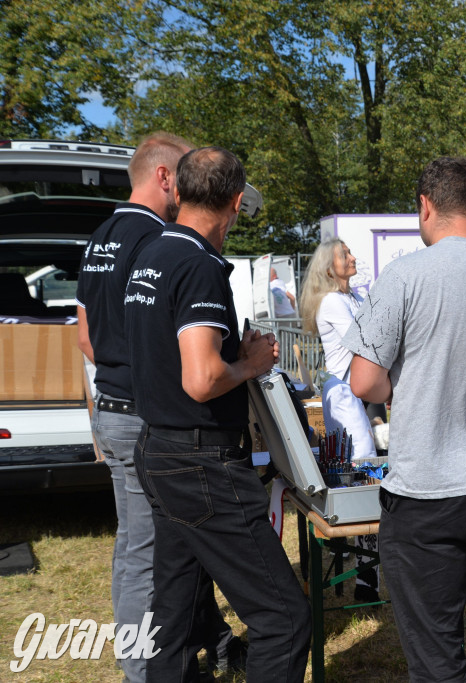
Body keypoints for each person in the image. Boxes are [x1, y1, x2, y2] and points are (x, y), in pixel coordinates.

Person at [343, 157, 466, 682]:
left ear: (426, 207)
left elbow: (364, 382)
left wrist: (404, 390)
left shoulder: (405, 274)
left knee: (437, 658)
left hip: (431, 487)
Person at [125, 147, 311, 683]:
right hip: (200, 461)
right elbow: (201, 378)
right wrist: (250, 363)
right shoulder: (199, 265)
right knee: (284, 619)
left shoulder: (152, 254)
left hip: (159, 449)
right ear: (234, 203)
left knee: (176, 618)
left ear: (178, 192)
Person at [75, 132, 244, 682]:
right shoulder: (159, 239)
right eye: (183, 178)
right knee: (154, 556)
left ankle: (180, 649)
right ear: (166, 178)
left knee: (138, 547)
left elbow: (86, 338)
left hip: (111, 403)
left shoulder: (102, 234)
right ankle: (145, 669)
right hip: (145, 413)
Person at [299, 237, 380, 603]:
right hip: (345, 397)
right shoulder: (333, 301)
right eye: (345, 254)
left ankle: (364, 574)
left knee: (357, 475)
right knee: (362, 478)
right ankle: (365, 580)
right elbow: (367, 340)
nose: (353, 257)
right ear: (330, 267)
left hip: (352, 394)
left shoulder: (351, 297)